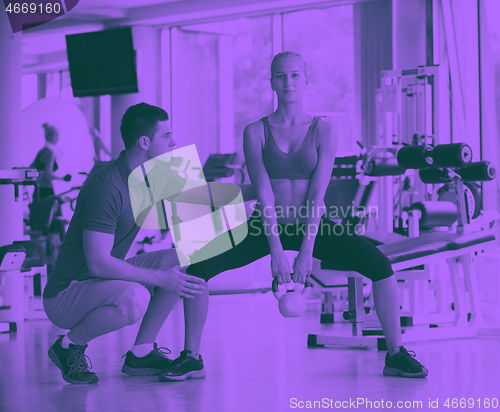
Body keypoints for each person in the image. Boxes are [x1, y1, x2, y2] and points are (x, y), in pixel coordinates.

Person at [158, 52, 428, 381]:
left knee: (381, 267)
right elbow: (265, 193)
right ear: (272, 81)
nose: (288, 82)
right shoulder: (255, 132)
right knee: (197, 270)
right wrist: (276, 252)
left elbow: (317, 195)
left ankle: (396, 353)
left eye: (295, 75)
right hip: (264, 223)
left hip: (312, 224)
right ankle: (192, 356)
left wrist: (306, 251)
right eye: (281, 76)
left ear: (306, 80)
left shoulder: (323, 130)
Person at [43, 103, 223, 384]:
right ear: (145, 142)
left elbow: (201, 194)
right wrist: (159, 279)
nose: (174, 142)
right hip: (67, 294)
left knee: (182, 258)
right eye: (167, 136)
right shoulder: (107, 186)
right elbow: (99, 262)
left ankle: (141, 353)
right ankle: (68, 347)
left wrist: (263, 190)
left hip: (96, 281)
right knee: (135, 298)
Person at [30, 123, 71, 199]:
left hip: (38, 189)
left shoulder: (41, 152)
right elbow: (48, 175)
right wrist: (63, 178)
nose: (58, 139)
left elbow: (31, 168)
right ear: (52, 137)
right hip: (47, 191)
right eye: (57, 136)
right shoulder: (50, 153)